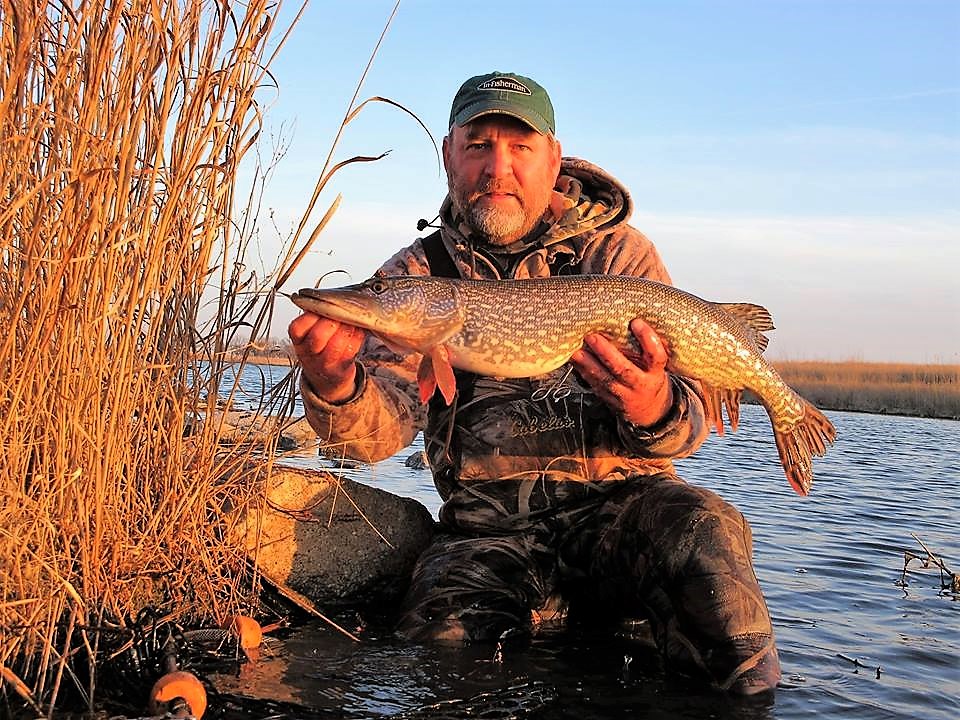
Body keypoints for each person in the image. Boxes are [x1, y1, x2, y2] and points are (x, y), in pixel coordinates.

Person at [288, 71, 781, 694]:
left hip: (623, 516)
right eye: (478, 146)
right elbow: (370, 442)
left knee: (708, 549)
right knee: (444, 659)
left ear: (553, 157)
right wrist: (335, 383)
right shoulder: (419, 273)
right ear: (448, 156)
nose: (499, 167)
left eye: (520, 147)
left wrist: (653, 404)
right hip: (485, 536)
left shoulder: (619, 257)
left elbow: (687, 428)